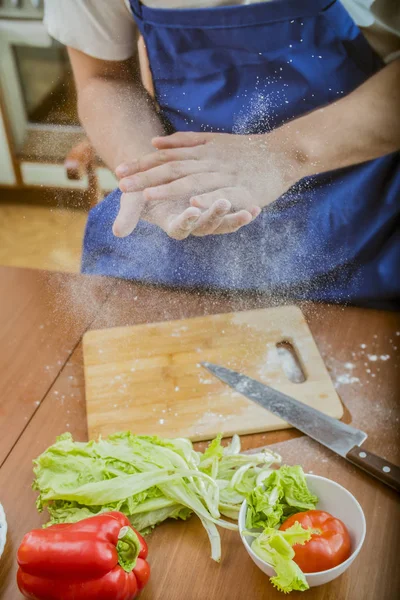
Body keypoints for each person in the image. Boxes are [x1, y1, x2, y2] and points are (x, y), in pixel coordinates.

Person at [44, 0, 400, 308]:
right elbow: (105, 78)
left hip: (361, 207)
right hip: (188, 202)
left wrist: (282, 154)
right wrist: (154, 176)